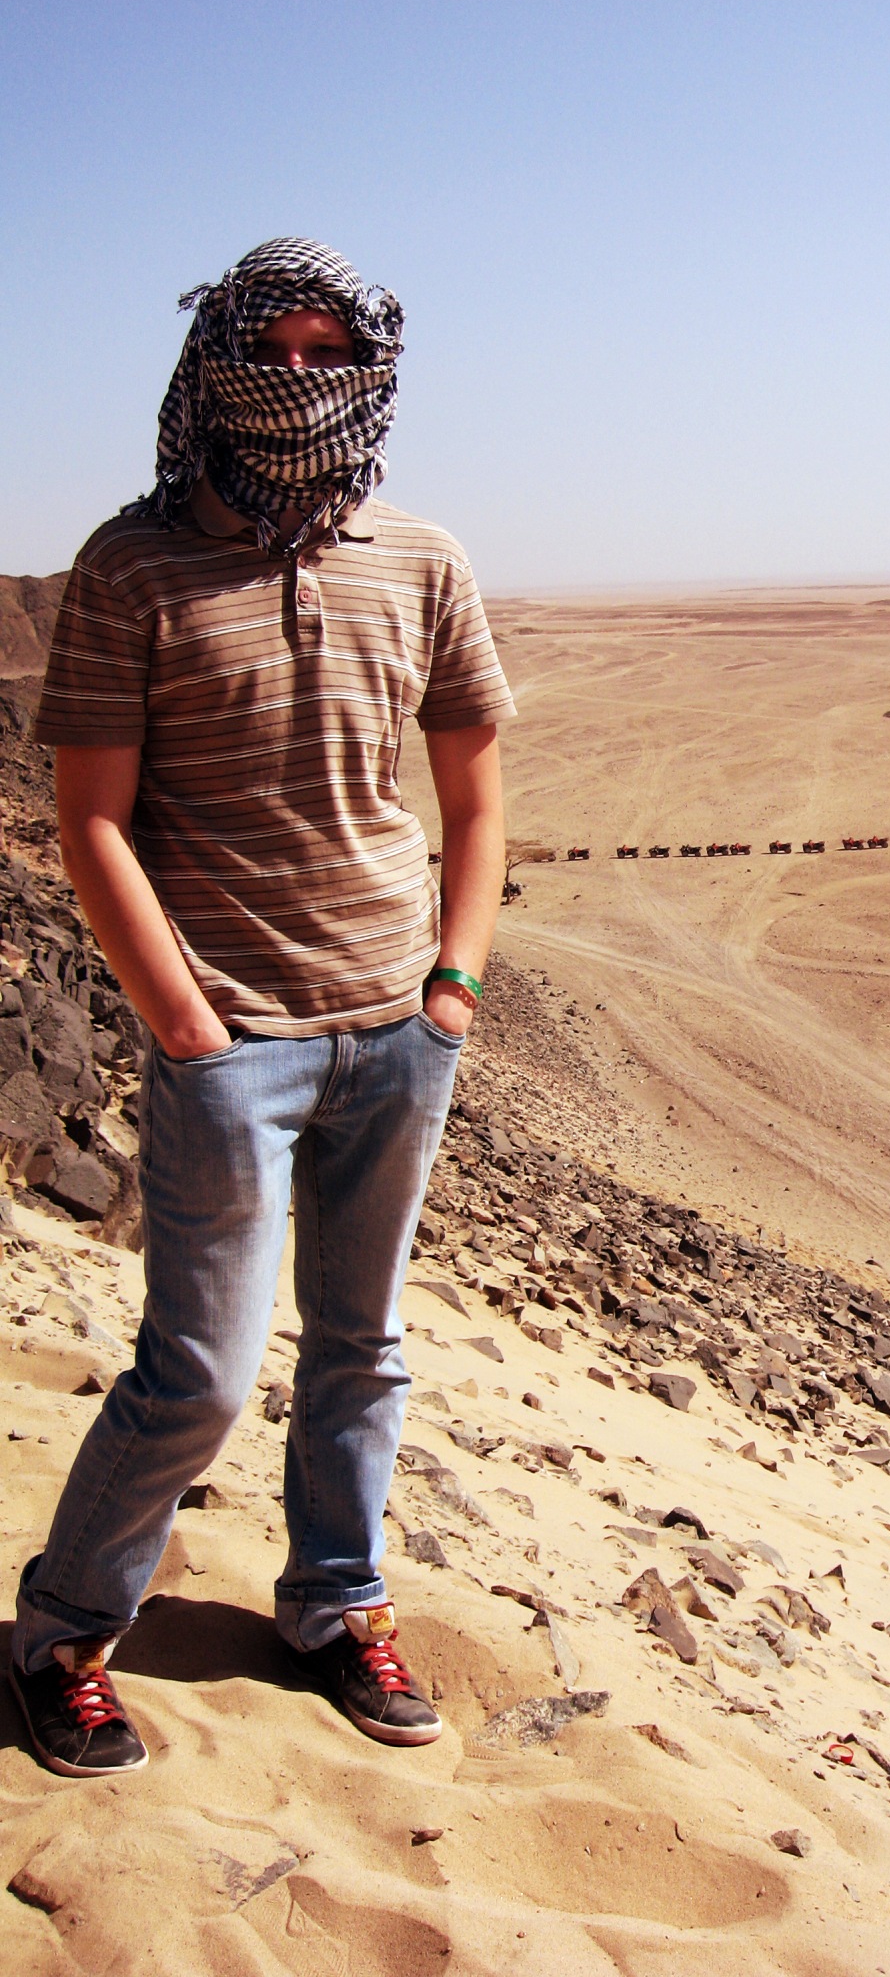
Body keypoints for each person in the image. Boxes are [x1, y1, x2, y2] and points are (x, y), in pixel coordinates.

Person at [9, 238, 514, 1777]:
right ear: (213, 359)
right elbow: (91, 821)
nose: (297, 380)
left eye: (326, 352)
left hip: (398, 1030)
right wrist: (184, 1023)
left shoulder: (419, 560)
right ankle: (60, 1633)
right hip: (231, 1042)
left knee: (363, 1350)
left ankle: (333, 1604)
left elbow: (475, 795)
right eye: (268, 349)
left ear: (371, 367)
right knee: (203, 1375)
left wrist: (451, 984)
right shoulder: (132, 565)